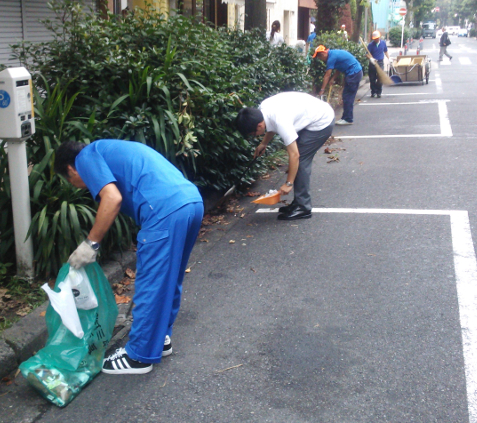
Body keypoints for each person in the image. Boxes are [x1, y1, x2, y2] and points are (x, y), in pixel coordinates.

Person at [55, 139, 204, 375]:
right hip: (191, 202)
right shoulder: (109, 149)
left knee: (151, 284)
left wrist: (90, 244)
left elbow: (112, 198)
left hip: (164, 210)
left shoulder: (85, 157)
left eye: (69, 180)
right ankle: (160, 338)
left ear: (71, 169)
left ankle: (139, 356)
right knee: (170, 279)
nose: (75, 186)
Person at [235, 92, 335, 221]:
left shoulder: (280, 120)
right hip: (314, 113)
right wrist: (263, 143)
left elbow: (294, 155)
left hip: (322, 121)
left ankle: (303, 207)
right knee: (299, 158)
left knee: (302, 160)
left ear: (259, 126)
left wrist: (288, 183)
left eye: (253, 133)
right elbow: (270, 125)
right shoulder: (262, 111)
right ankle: (298, 203)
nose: (254, 136)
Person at [312, 44, 363, 125]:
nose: (322, 60)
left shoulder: (331, 58)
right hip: (355, 73)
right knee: (346, 96)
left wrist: (322, 89)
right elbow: (339, 69)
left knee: (348, 97)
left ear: (322, 54)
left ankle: (348, 119)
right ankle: (345, 117)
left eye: (320, 58)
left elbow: (327, 75)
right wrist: (333, 79)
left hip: (353, 74)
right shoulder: (333, 54)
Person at [366, 30, 390, 98]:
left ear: (379, 37)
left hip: (380, 62)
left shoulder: (383, 43)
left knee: (380, 78)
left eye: (377, 38)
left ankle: (379, 92)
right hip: (373, 63)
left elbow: (385, 51)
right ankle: (373, 92)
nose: (376, 40)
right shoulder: (370, 45)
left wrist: (389, 58)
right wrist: (370, 58)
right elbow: (367, 54)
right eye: (374, 39)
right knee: (372, 78)